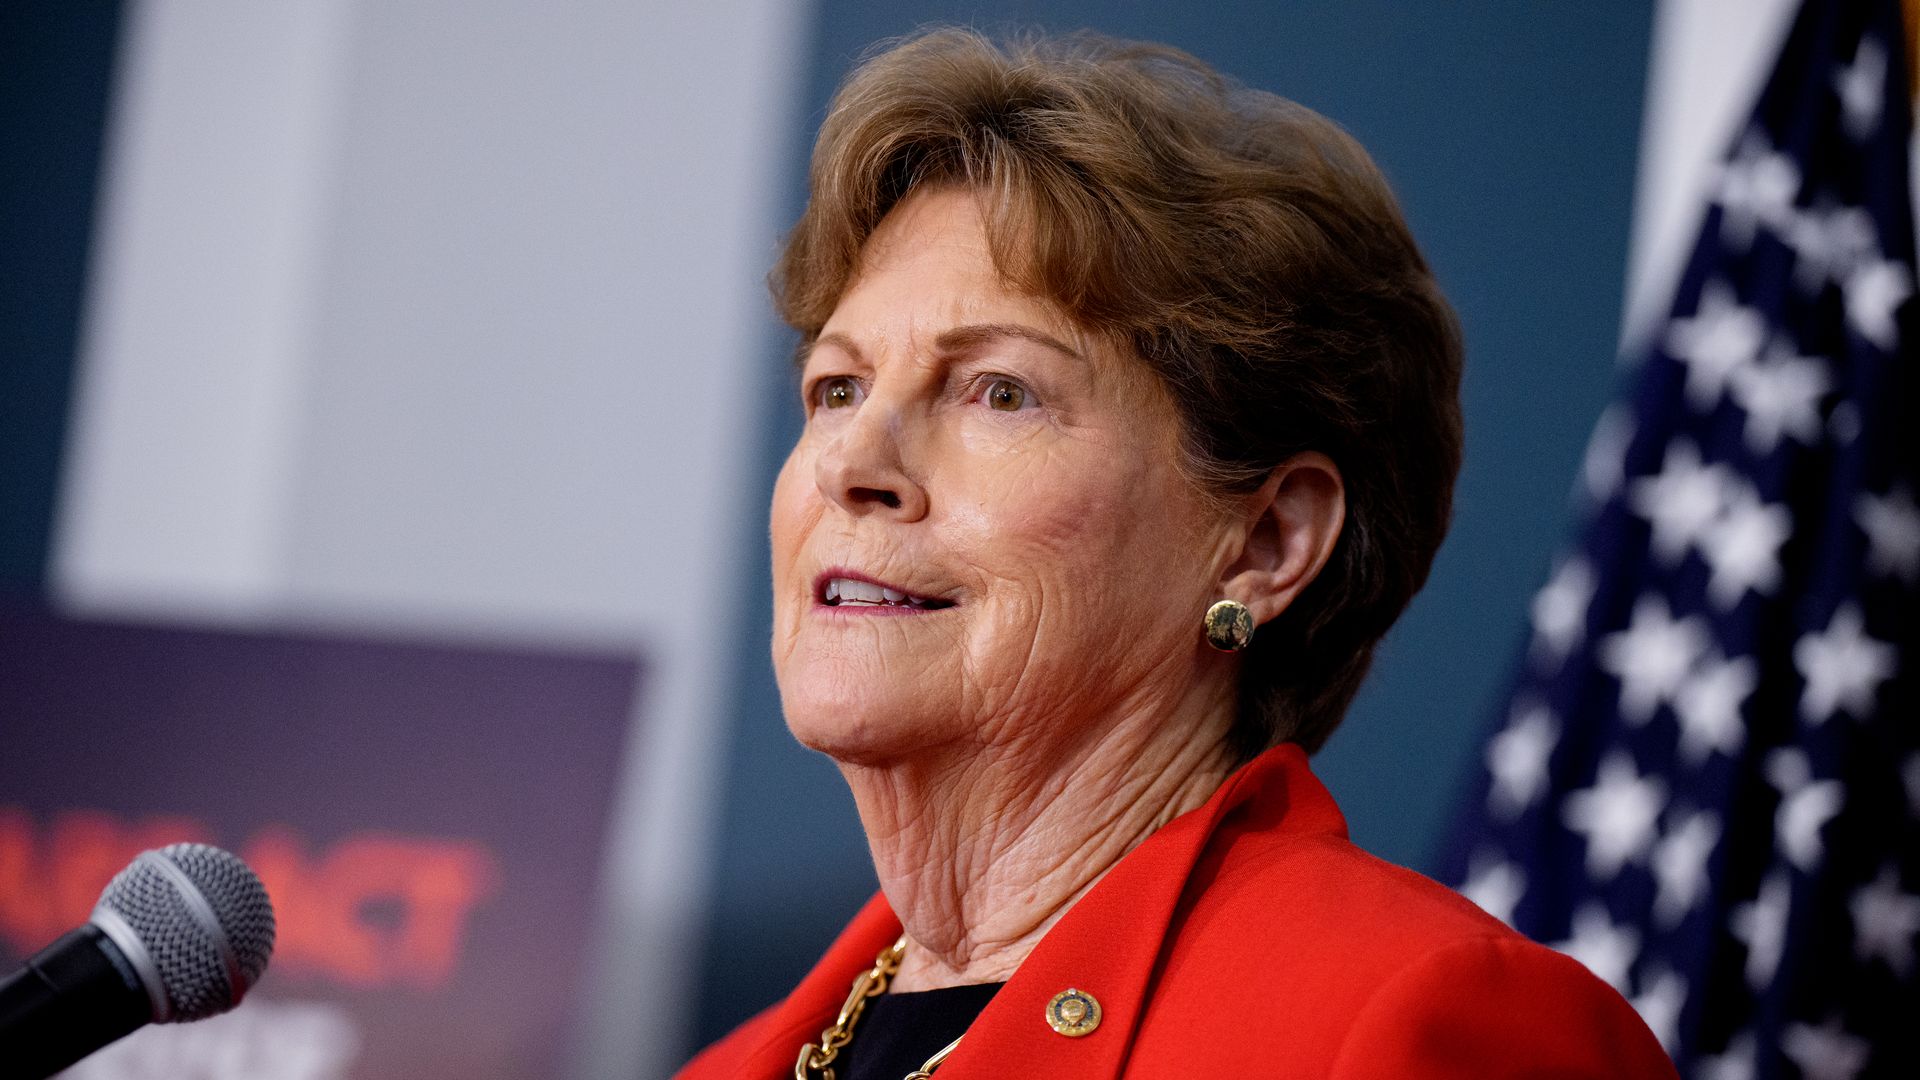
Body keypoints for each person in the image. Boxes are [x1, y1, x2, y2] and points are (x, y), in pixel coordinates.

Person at [677, 28, 1676, 1080]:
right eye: (838, 387)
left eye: (1000, 392)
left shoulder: (1410, 1021)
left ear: (1264, 543)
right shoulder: (727, 1068)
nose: (854, 464)